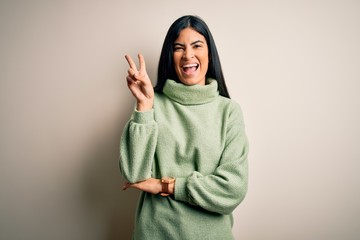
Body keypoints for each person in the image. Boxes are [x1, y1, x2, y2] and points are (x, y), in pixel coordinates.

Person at [119, 15, 249, 240]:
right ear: (171, 56)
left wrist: (166, 186)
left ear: (210, 53)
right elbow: (133, 174)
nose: (188, 55)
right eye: (179, 48)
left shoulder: (228, 111)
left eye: (197, 45)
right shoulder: (152, 105)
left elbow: (232, 189)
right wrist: (144, 105)